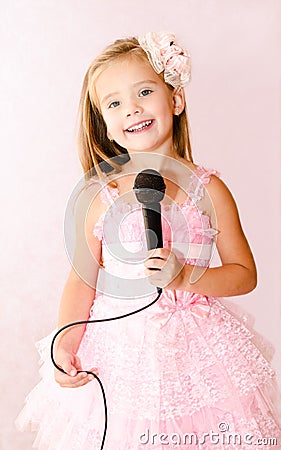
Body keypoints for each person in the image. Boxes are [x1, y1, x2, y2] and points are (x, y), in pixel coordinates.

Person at [16, 32, 281, 450]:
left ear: (175, 99)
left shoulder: (208, 190)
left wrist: (186, 276)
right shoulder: (97, 196)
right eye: (114, 102)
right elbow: (81, 280)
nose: (132, 108)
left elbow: (244, 274)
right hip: (120, 359)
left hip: (199, 356)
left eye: (144, 91)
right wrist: (66, 343)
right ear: (104, 121)